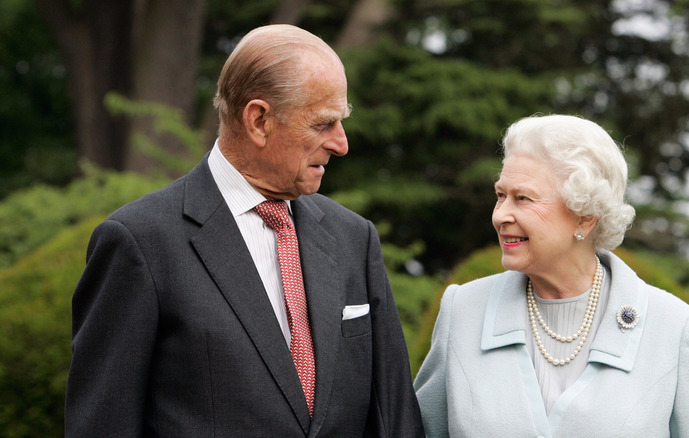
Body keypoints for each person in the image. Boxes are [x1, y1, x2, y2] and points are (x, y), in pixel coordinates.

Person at [65, 24, 424, 437]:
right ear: (258, 120)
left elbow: (395, 419)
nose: (341, 143)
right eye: (323, 124)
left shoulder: (354, 238)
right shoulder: (140, 243)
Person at [414, 114, 689, 437]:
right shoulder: (463, 311)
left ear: (584, 217)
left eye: (523, 198)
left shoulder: (674, 329)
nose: (500, 215)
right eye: (500, 195)